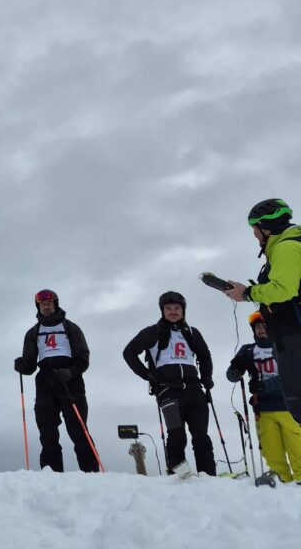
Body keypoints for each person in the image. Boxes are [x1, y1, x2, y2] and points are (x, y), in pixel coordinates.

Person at [223, 199, 301, 424]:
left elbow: (283, 290)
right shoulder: (286, 245)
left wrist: (248, 293)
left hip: (293, 335)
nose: (254, 234)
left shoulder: (286, 247)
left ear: (266, 226)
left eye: (255, 228)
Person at [123, 291, 216, 476]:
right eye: (168, 308)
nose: (173, 312)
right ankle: (178, 477)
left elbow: (205, 356)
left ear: (183, 310)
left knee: (201, 436)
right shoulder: (152, 332)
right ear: (162, 310)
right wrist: (147, 375)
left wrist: (207, 377)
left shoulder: (192, 332)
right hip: (168, 391)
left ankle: (208, 477)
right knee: (176, 435)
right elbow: (129, 353)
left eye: (177, 308)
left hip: (194, 390)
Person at [13, 289, 98, 472]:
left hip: (70, 382)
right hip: (45, 382)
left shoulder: (71, 328)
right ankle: (51, 473)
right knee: (47, 431)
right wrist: (21, 366)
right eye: (43, 305)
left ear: (55, 305)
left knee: (78, 429)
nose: (46, 307)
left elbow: (83, 358)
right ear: (38, 307)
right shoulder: (33, 332)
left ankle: (91, 471)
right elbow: (30, 366)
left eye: (49, 304)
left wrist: (71, 372)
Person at [226, 311, 301, 484]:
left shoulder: (285, 346)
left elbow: (291, 375)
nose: (262, 330)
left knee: (297, 449)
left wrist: (264, 386)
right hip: (262, 409)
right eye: (258, 327)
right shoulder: (248, 350)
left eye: (265, 326)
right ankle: (281, 484)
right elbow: (231, 376)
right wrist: (234, 371)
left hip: (289, 407)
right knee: (271, 452)